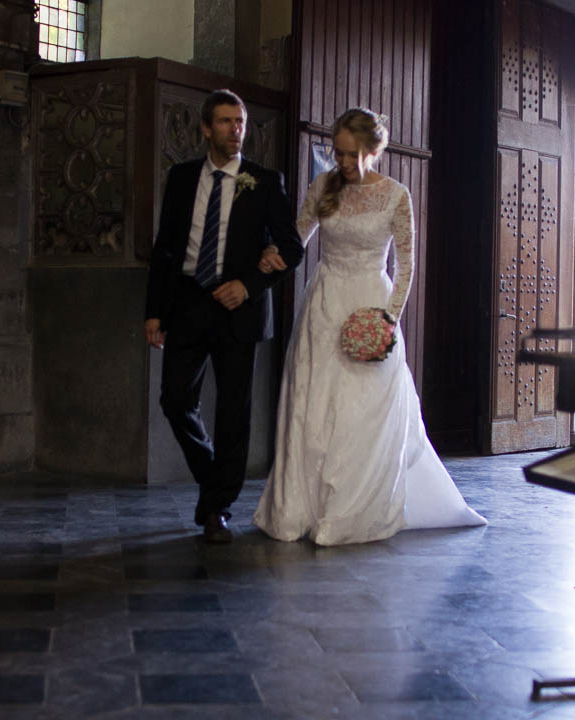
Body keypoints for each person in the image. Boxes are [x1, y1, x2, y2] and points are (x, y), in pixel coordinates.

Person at [253, 107, 486, 546]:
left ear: (373, 150)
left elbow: (407, 264)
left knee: (361, 408)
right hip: (324, 302)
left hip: (370, 305)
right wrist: (270, 255)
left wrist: (388, 319)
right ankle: (298, 509)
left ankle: (349, 513)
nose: (341, 162)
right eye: (337, 153)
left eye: (350, 154)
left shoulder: (396, 195)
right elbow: (297, 238)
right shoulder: (322, 186)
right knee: (314, 402)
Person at [145, 89, 304, 544]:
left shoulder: (264, 180)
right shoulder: (180, 178)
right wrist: (154, 311)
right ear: (205, 128)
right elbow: (166, 249)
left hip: (240, 308)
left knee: (234, 414)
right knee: (176, 400)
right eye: (226, 122)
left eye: (241, 121)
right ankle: (214, 479)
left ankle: (216, 508)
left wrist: (249, 285)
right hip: (189, 303)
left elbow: (291, 248)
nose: (236, 130)